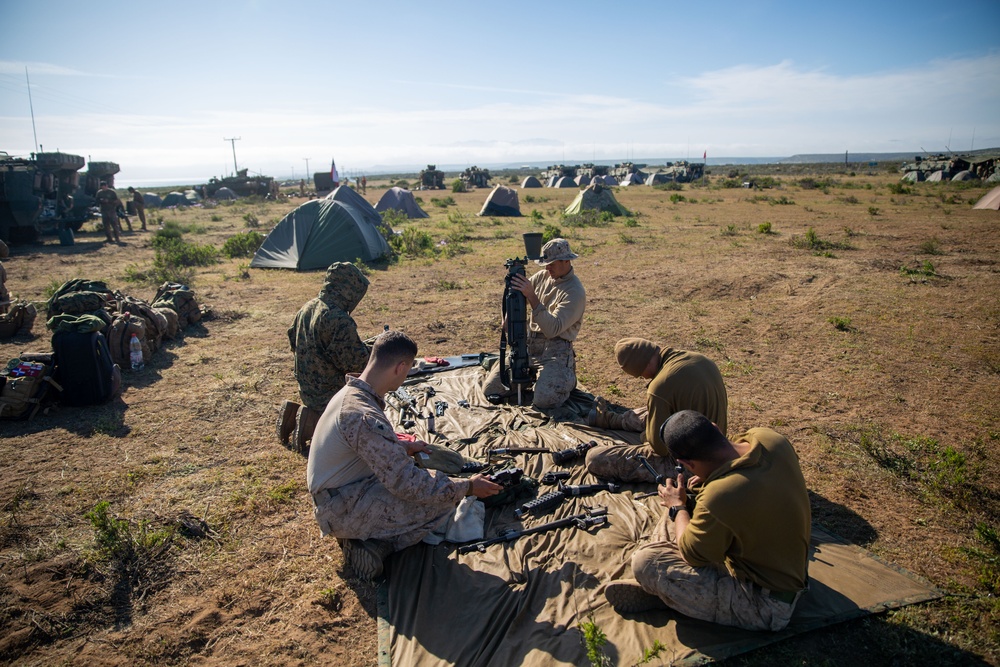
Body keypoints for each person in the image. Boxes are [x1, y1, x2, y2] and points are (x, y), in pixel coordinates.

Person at [307, 330, 502, 579]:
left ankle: (372, 538)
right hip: (341, 509)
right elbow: (406, 483)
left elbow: (366, 451)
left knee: (432, 485)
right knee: (439, 502)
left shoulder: (354, 395)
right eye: (408, 370)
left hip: (346, 492)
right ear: (400, 367)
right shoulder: (363, 414)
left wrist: (403, 447)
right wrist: (467, 487)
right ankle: (373, 543)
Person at [604, 410, 811, 632]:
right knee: (684, 499)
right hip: (787, 565)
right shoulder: (769, 438)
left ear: (686, 464)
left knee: (646, 562)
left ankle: (669, 594)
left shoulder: (720, 497)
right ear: (716, 428)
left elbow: (691, 554)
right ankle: (672, 591)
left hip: (766, 603)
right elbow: (738, 469)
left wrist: (679, 507)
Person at [586, 338, 728, 483]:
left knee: (595, 458)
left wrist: (645, 437)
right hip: (717, 444)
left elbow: (660, 449)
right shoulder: (699, 359)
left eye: (641, 375)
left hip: (693, 467)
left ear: (642, 366)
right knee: (650, 412)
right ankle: (608, 419)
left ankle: (608, 419)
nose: (644, 378)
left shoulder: (660, 386)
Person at [481, 237, 586, 409]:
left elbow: (553, 329)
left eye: (552, 263)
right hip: (528, 345)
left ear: (566, 260)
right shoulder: (543, 276)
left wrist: (533, 297)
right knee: (491, 390)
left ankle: (566, 376)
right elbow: (518, 294)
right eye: (546, 263)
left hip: (556, 350)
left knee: (544, 400)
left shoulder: (575, 291)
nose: (547, 267)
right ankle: (530, 378)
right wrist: (507, 315)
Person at [279, 262, 373, 453]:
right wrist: (376, 352)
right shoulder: (337, 319)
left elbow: (293, 341)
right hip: (329, 395)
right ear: (348, 290)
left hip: (307, 389)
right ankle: (314, 422)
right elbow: (358, 364)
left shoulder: (308, 307)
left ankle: (299, 412)